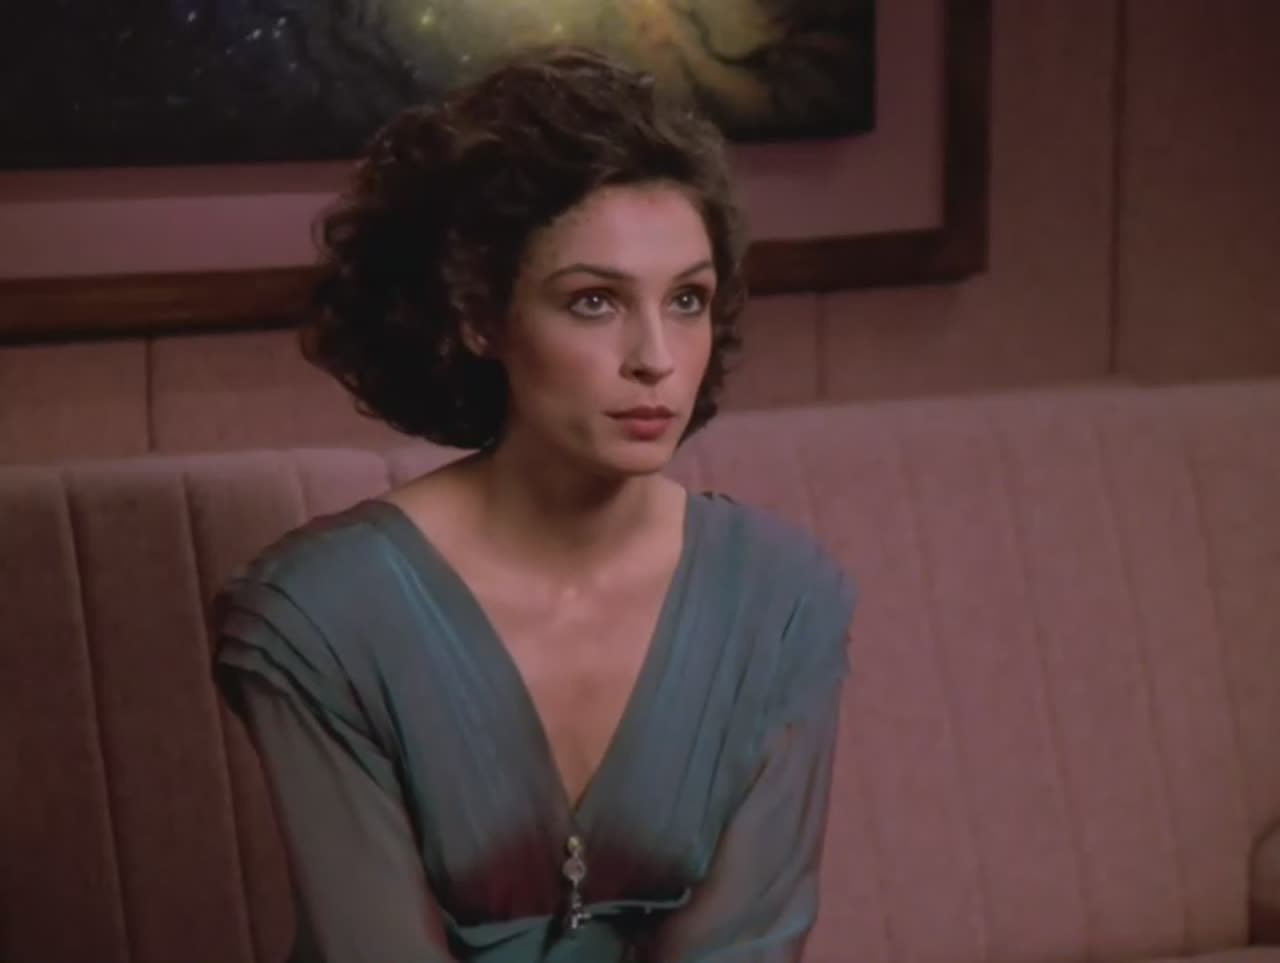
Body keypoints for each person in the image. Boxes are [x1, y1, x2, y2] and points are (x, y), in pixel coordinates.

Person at [212, 45, 856, 963]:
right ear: (480, 316)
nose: (656, 358)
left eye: (687, 300)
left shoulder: (783, 601)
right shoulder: (322, 618)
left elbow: (746, 947)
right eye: (594, 301)